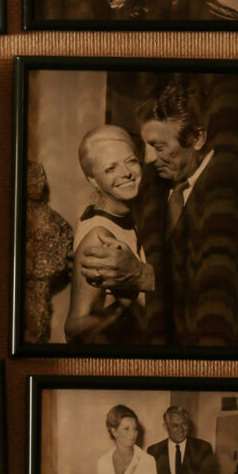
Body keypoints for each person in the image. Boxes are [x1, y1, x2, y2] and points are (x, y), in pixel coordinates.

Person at [140, 81, 238, 351]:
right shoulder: (154, 187)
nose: (148, 158)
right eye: (146, 146)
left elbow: (215, 294)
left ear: (197, 138)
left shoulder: (229, 197)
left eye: (158, 147)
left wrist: (144, 277)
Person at [65, 127, 156, 347]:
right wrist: (125, 308)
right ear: (93, 180)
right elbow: (74, 330)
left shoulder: (127, 215)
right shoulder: (99, 236)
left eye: (131, 161)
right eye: (110, 168)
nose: (126, 173)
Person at [23, 156, 75, 347]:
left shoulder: (54, 221)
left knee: (35, 335)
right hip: (33, 288)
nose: (37, 183)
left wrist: (43, 277)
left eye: (39, 178)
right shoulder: (52, 220)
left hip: (39, 289)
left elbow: (66, 254)